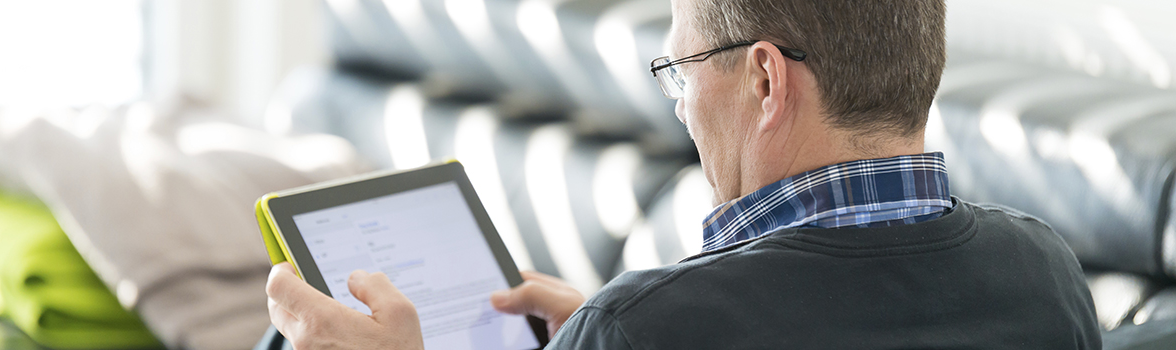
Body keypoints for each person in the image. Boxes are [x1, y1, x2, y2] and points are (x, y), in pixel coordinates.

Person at [264, 0, 1101, 348]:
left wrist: (613, 325)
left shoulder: (652, 328)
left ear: (766, 82)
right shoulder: (1046, 275)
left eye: (682, 69)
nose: (678, 105)